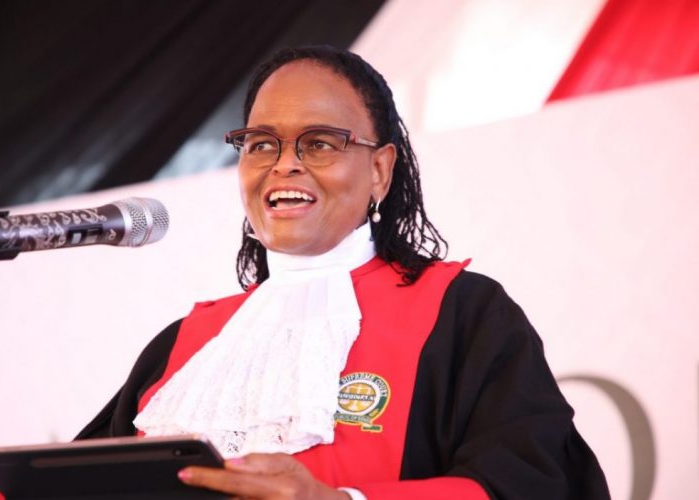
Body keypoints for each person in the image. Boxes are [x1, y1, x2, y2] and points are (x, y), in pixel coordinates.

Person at [73, 46, 611, 500]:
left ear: (379, 169)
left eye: (321, 142)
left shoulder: (461, 314)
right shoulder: (184, 345)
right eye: (262, 143)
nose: (284, 163)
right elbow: (63, 482)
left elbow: (536, 484)